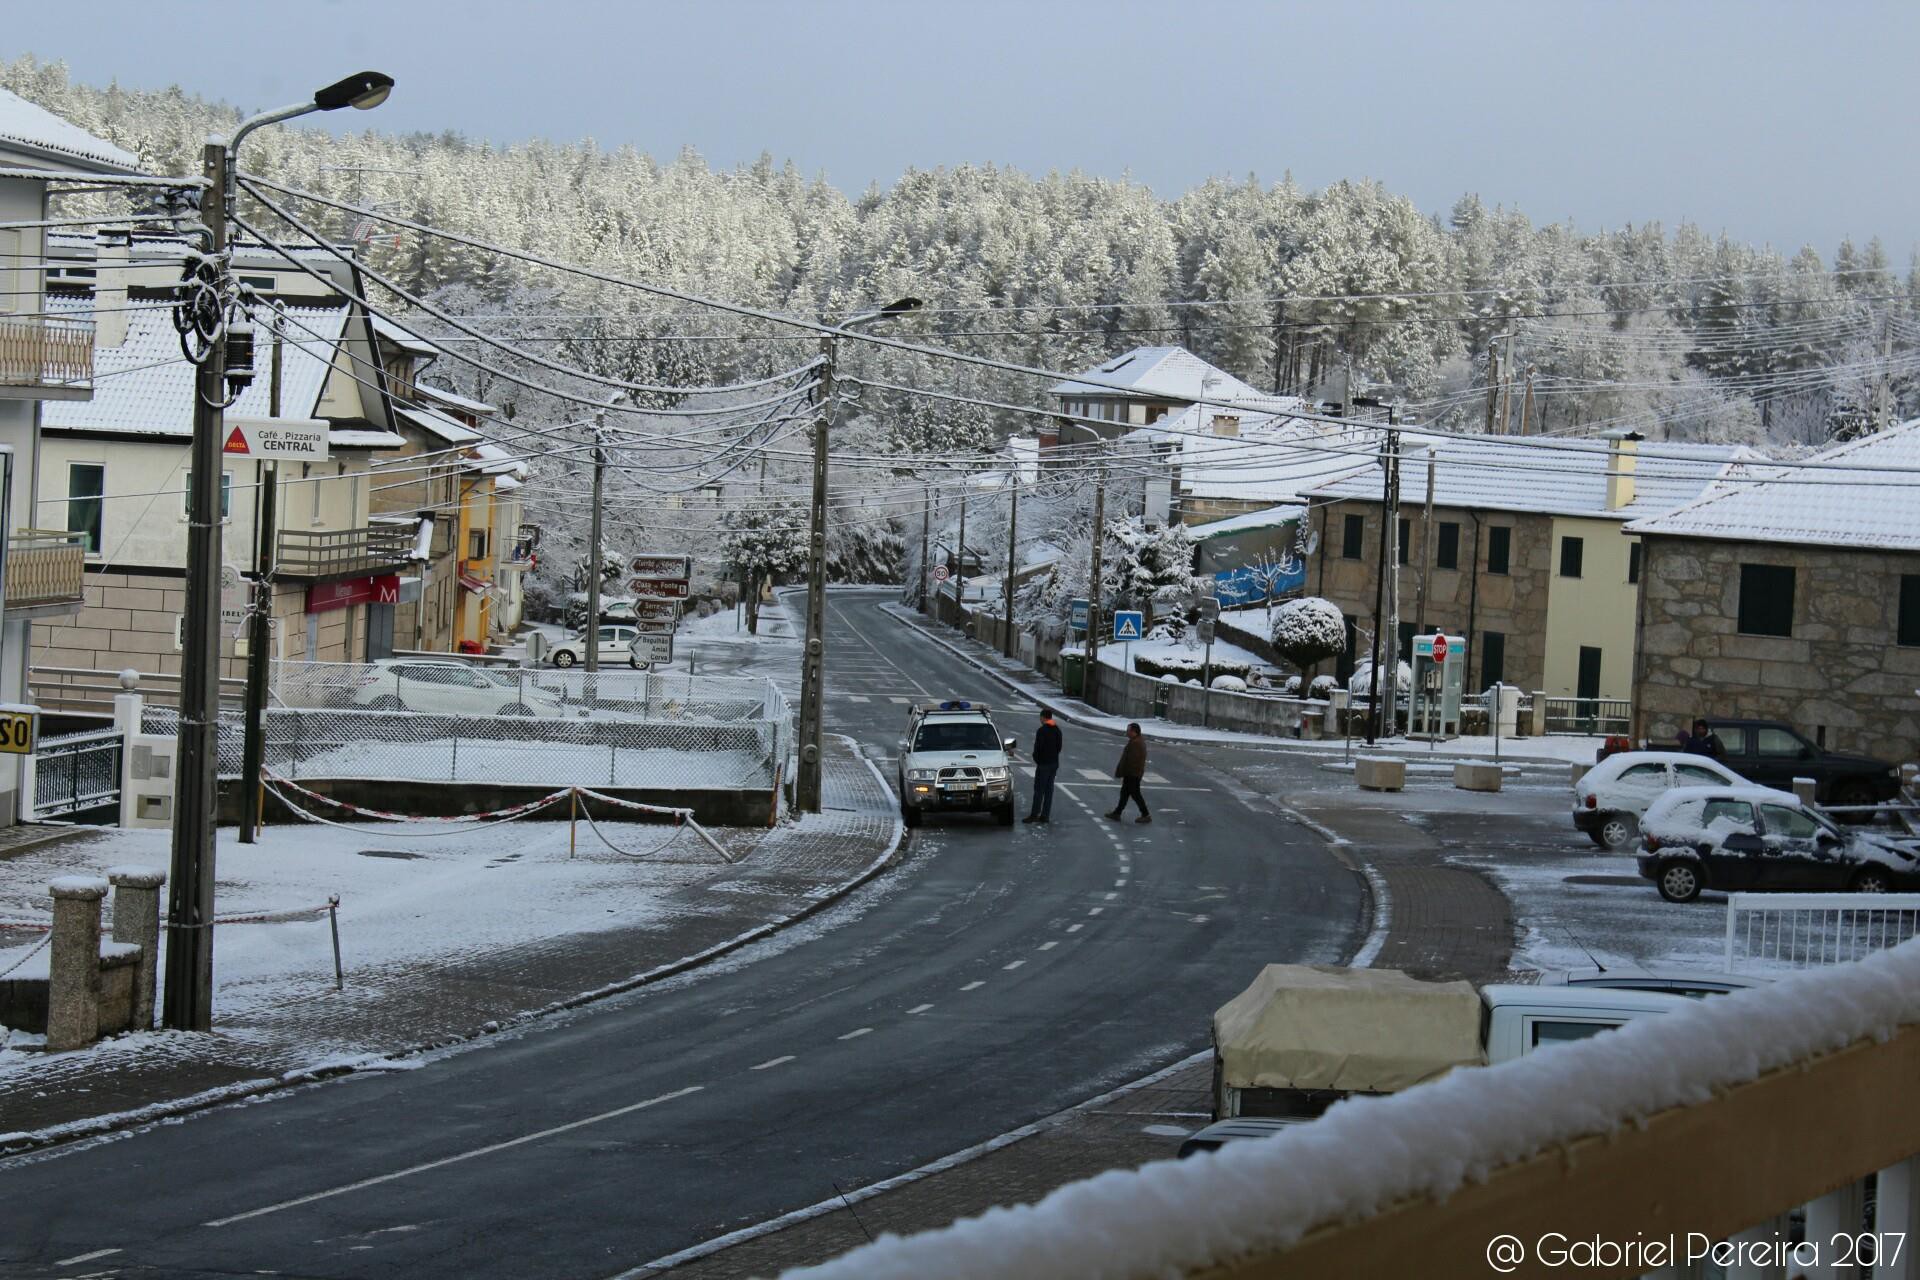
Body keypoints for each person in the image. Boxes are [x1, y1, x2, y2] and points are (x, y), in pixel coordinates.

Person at [1107, 722, 1151, 823]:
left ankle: (1145, 814)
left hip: (1133, 774)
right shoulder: (1135, 741)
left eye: (1129, 731)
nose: (1127, 732)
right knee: (1124, 794)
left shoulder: (1136, 743)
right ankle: (1117, 813)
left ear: (1134, 732)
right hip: (1132, 773)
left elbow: (1132, 761)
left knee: (1135, 794)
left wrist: (1125, 772)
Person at [1025, 707, 1063, 824]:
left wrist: (1037, 760)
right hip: (1054, 763)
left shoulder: (1042, 731)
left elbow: (1038, 748)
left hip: (1044, 764)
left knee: (1039, 790)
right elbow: (1059, 747)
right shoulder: (1057, 730)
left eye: (1040, 717)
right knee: (1049, 790)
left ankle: (1034, 814)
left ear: (1043, 717)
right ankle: (1045, 816)